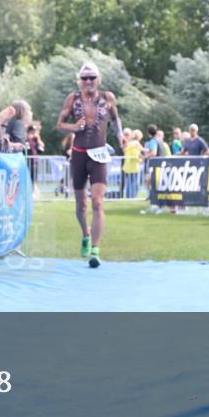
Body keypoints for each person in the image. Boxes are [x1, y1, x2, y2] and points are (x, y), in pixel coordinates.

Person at [56, 61, 126, 267]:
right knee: (81, 206)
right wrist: (73, 127)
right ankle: (85, 234)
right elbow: (59, 125)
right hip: (78, 155)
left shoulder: (108, 98)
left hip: (99, 155)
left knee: (97, 202)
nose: (88, 81)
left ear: (99, 79)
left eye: (92, 78)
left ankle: (95, 249)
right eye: (85, 78)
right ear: (79, 81)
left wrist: (120, 135)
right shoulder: (73, 99)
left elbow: (115, 120)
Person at [122, 129, 143, 199]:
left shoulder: (129, 144)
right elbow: (135, 155)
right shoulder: (136, 144)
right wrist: (140, 159)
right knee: (135, 183)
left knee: (129, 183)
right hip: (134, 166)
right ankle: (133, 197)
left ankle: (129, 197)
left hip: (127, 166)